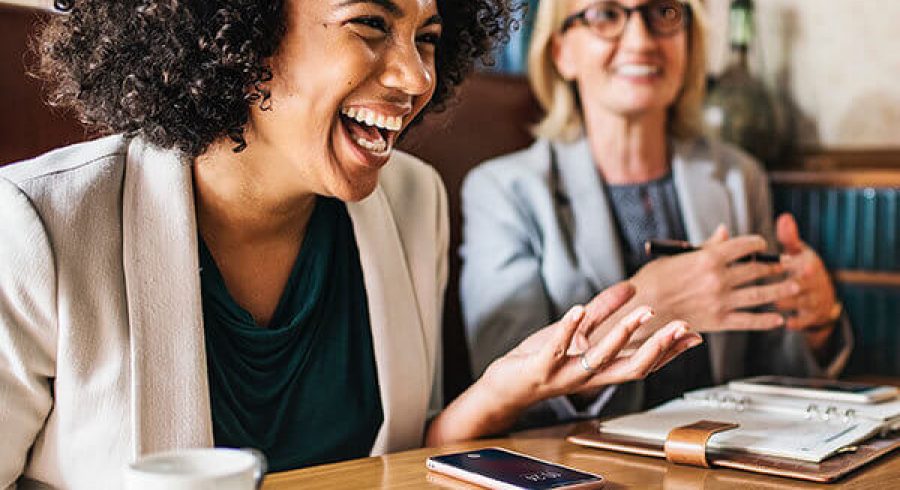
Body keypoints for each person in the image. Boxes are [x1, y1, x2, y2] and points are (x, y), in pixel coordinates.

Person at [0, 0, 701, 487]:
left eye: (427, 37)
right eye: (370, 24)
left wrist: (498, 393)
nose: (417, 76)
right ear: (241, 36)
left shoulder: (412, 201)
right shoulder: (38, 226)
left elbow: (390, 464)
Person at [460, 0, 851, 429]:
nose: (641, 40)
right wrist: (648, 308)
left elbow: (771, 370)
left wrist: (818, 321)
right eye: (606, 14)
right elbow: (505, 387)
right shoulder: (503, 191)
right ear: (561, 53)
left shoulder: (740, 178)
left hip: (724, 458)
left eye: (663, 13)